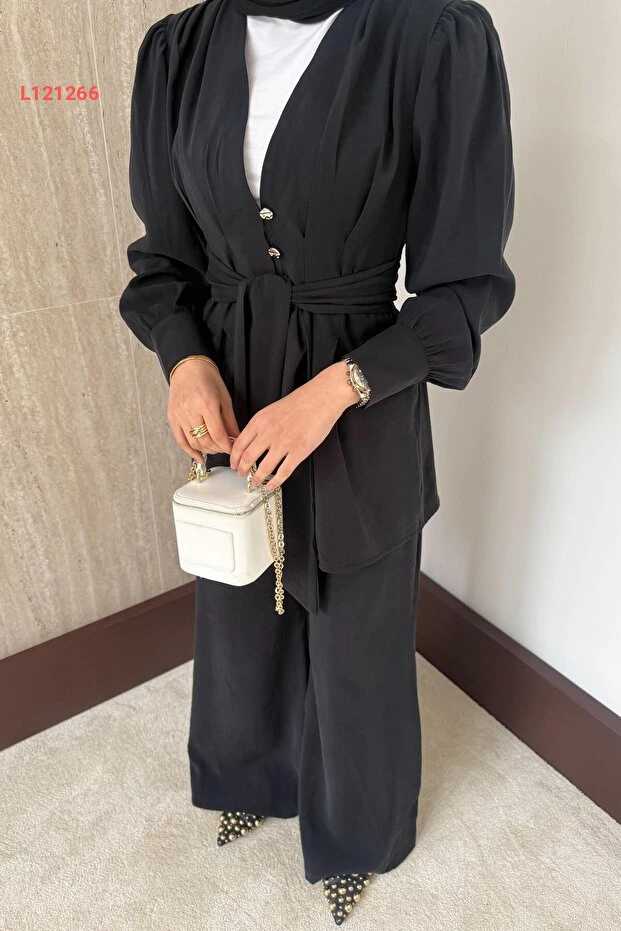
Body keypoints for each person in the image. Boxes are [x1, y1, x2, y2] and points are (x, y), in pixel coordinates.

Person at [119, 0, 516, 922]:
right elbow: (162, 256)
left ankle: (357, 828)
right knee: (238, 593)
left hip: (360, 383)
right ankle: (254, 775)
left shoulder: (432, 35)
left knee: (357, 619)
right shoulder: (178, 49)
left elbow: (463, 285)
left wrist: (336, 389)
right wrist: (182, 360)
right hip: (229, 376)